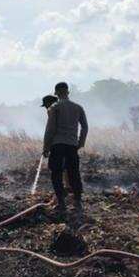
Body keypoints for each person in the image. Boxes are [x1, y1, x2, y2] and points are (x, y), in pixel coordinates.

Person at [43, 81, 88, 213]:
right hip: (72, 145)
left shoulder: (54, 107)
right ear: (68, 92)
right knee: (74, 173)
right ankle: (77, 202)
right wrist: (80, 142)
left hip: (57, 145)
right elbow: (85, 127)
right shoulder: (78, 107)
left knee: (56, 173)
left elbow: (50, 129)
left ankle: (62, 203)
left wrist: (46, 147)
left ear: (56, 93)